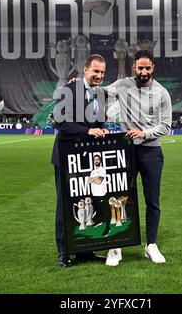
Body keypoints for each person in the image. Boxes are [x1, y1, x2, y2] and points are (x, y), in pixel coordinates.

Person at [103, 50, 172, 265]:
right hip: (126, 152)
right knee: (120, 198)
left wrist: (145, 133)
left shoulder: (162, 93)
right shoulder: (123, 85)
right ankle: (116, 246)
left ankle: (151, 245)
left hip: (151, 151)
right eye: (140, 68)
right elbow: (99, 92)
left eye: (147, 68)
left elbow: (166, 126)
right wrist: (80, 84)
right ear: (134, 67)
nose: (143, 72)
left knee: (152, 200)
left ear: (153, 68)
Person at [51, 54, 108, 267]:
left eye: (102, 72)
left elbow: (99, 123)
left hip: (87, 160)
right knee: (65, 206)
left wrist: (101, 129)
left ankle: (85, 251)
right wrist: (89, 130)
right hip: (67, 158)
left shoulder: (101, 94)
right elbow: (60, 123)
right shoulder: (69, 89)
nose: (99, 76)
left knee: (89, 202)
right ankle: (64, 252)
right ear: (85, 70)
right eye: (95, 71)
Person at [83, 0, 116, 80]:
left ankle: (110, 91)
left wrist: (92, 4)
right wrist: (99, 2)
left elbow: (103, 10)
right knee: (94, 65)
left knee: (108, 66)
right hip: (94, 34)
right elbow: (85, 8)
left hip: (107, 34)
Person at [87, 155, 112, 238]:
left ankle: (108, 228)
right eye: (95, 160)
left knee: (105, 211)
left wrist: (94, 179)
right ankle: (99, 221)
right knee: (98, 210)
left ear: (100, 161)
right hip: (95, 194)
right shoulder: (92, 171)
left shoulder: (103, 170)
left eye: (98, 159)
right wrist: (95, 178)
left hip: (102, 194)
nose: (96, 161)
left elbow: (99, 182)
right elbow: (89, 181)